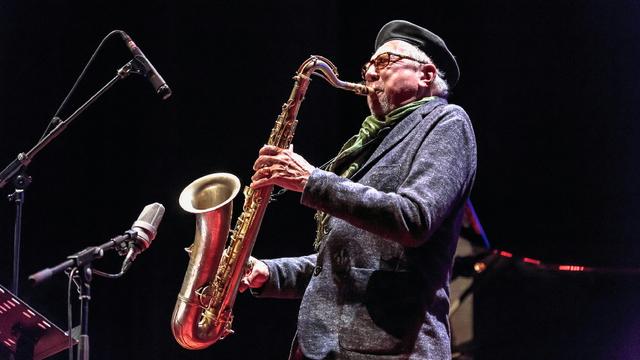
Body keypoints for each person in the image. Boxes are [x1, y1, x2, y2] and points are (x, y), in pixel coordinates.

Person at [241, 19, 477, 360]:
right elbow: (345, 261)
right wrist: (270, 273)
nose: (369, 74)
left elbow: (414, 218)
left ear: (426, 75)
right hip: (325, 349)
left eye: (384, 63)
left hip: (392, 349)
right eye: (368, 66)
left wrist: (312, 181)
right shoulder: (370, 143)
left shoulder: (447, 122)